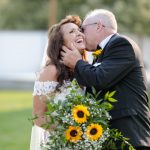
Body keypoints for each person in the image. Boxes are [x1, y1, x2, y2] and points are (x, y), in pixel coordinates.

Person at [61, 9, 150, 149]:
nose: (81, 34)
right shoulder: (102, 52)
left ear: (98, 26)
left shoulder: (121, 44)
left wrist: (77, 62)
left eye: (82, 29)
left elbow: (100, 78)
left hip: (130, 137)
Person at [30, 15, 86, 150]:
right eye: (72, 32)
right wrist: (68, 131)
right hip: (59, 143)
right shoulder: (51, 71)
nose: (79, 33)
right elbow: (38, 116)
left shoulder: (85, 68)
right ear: (60, 43)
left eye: (79, 30)